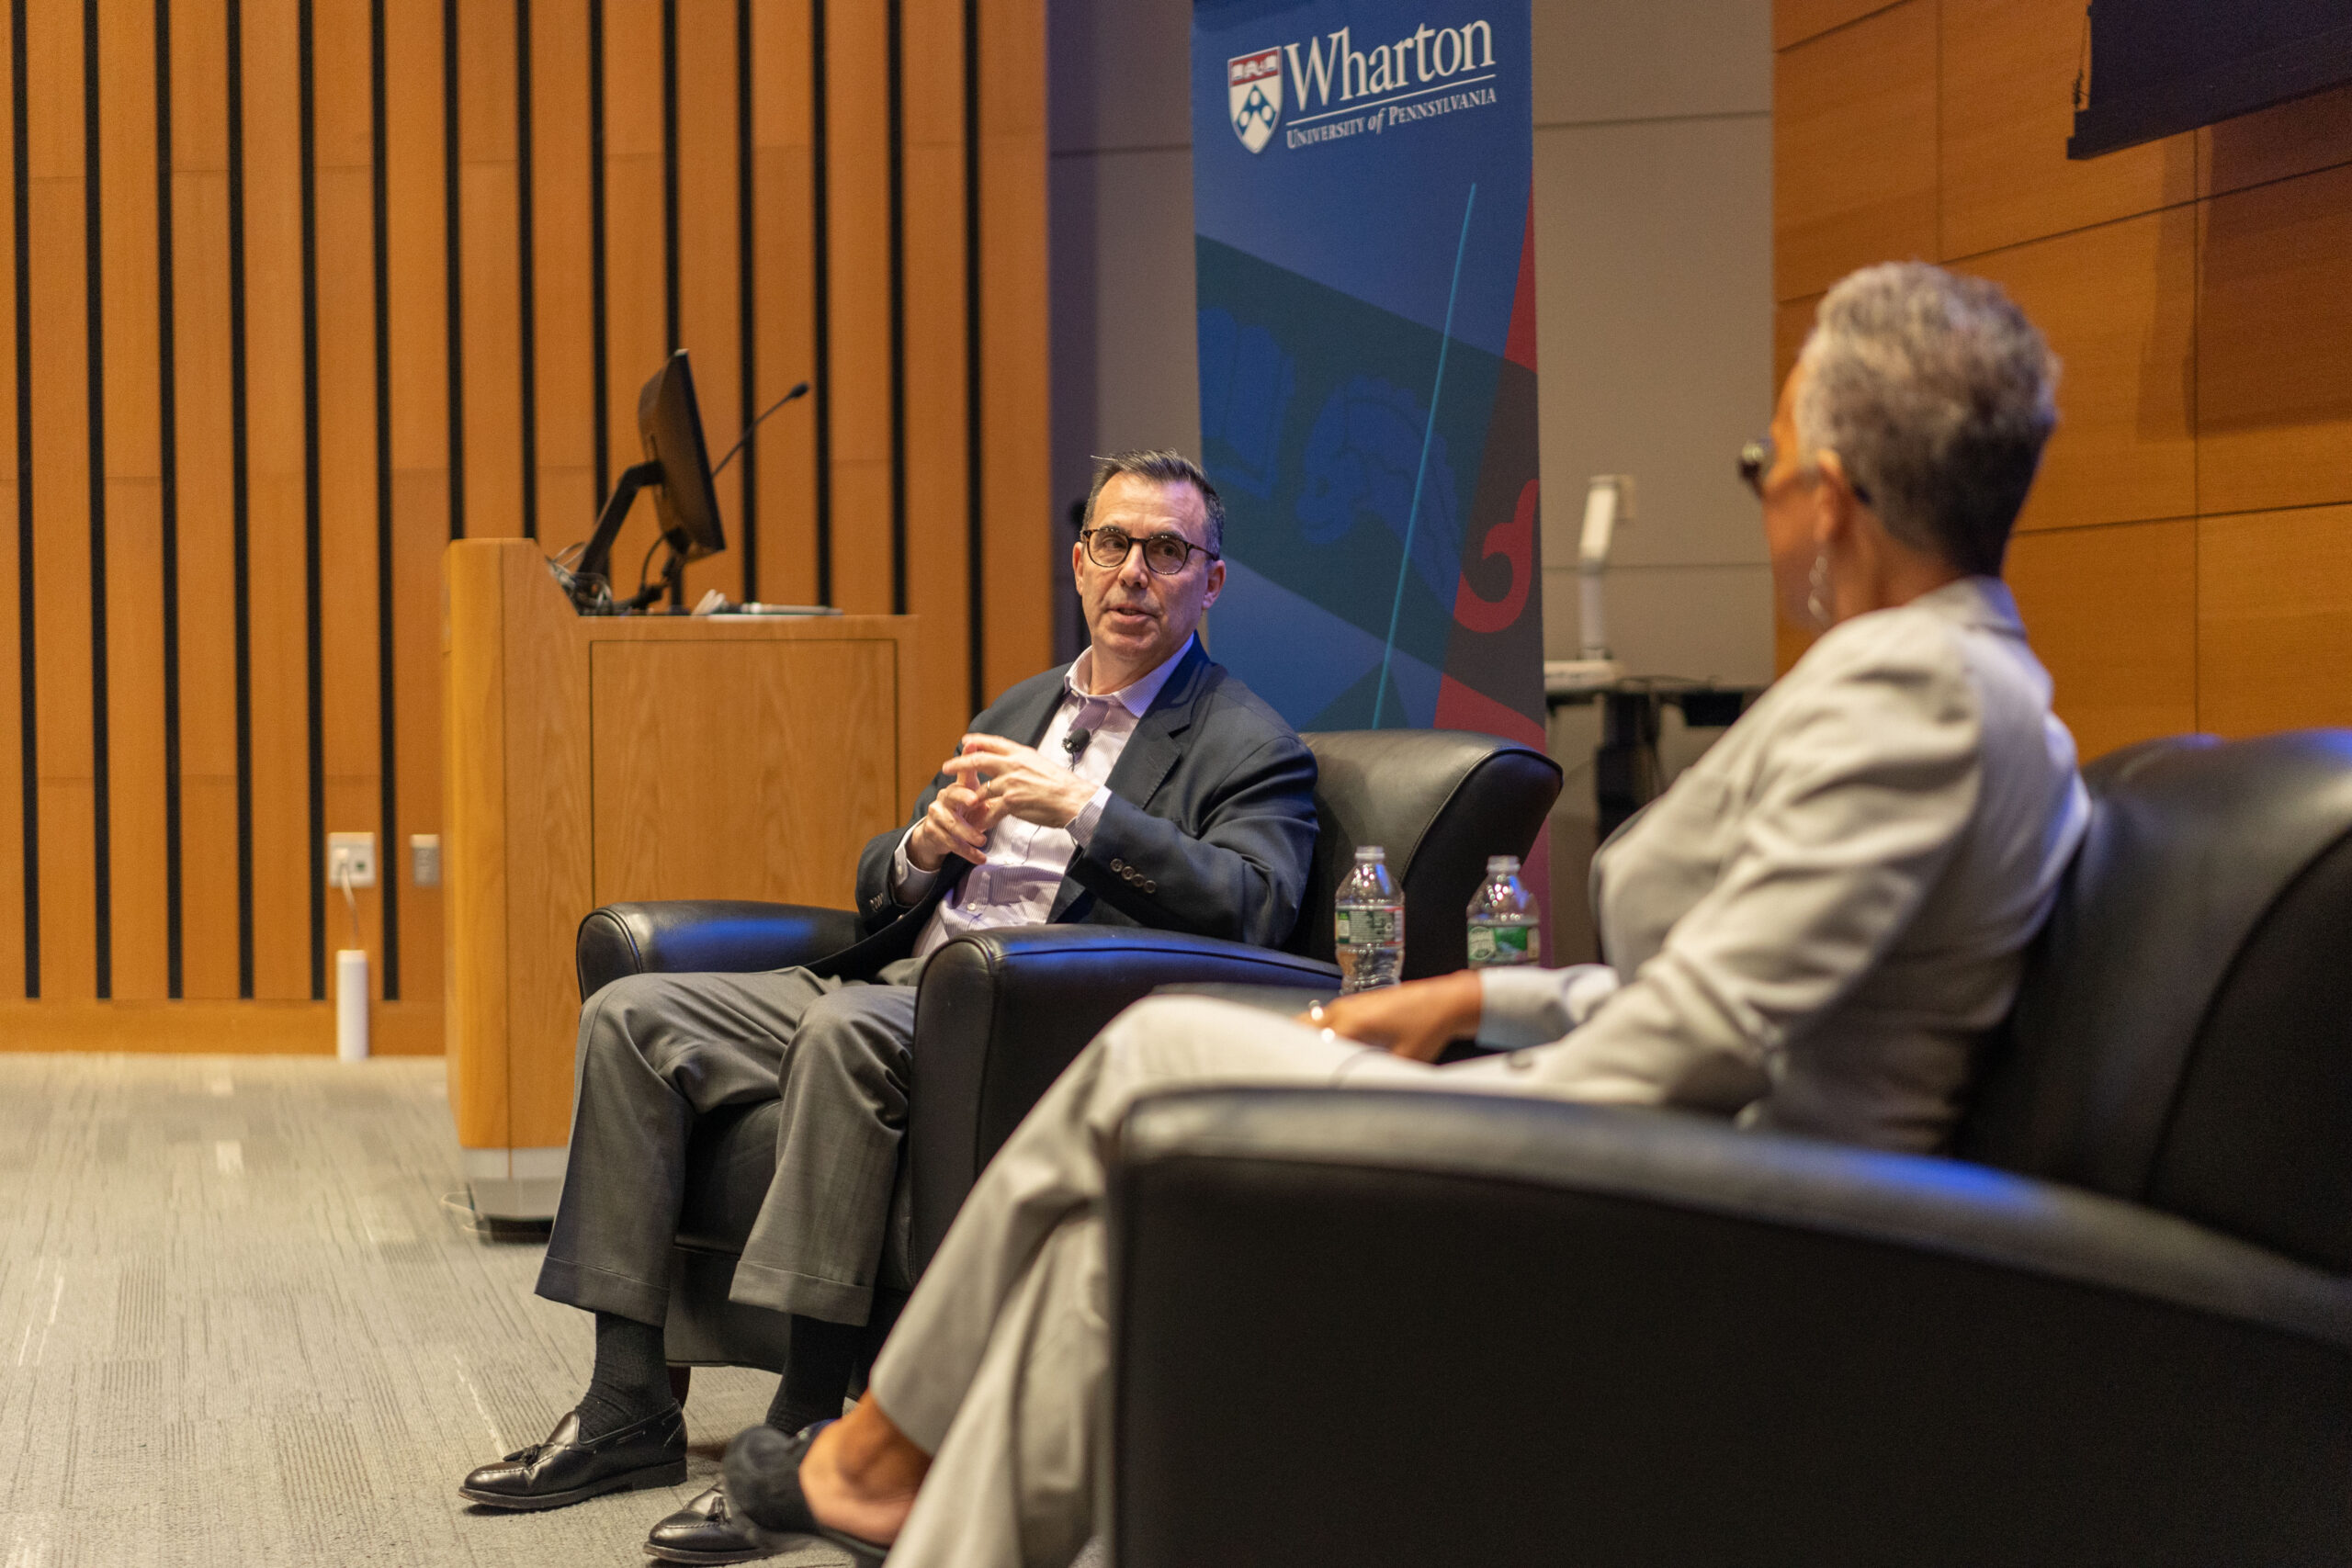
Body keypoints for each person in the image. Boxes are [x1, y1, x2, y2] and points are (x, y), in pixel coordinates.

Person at [711, 261, 2096, 1568]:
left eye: (1765, 464)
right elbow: (1763, 998)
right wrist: (1478, 996)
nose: (1766, 494)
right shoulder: (1927, 677)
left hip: (1702, 1197)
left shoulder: (1919, 702)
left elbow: (1712, 1043)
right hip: (1651, 1117)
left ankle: (886, 1436)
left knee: (1151, 1053)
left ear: (1835, 495)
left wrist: (1478, 1093)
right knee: (1102, 1240)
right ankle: (918, 1489)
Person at [458, 450, 1319, 1563]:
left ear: (1211, 583)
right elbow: (880, 877)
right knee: (633, 1017)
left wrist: (1089, 813)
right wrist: (922, 847)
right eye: (1114, 544)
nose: (1134, 573)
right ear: (1077, 562)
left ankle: (808, 1430)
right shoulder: (1022, 705)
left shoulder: (1250, 741)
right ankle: (627, 1403)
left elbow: (1253, 905)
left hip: (1024, 1016)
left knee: (844, 1031)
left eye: (1167, 552)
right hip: (895, 975)